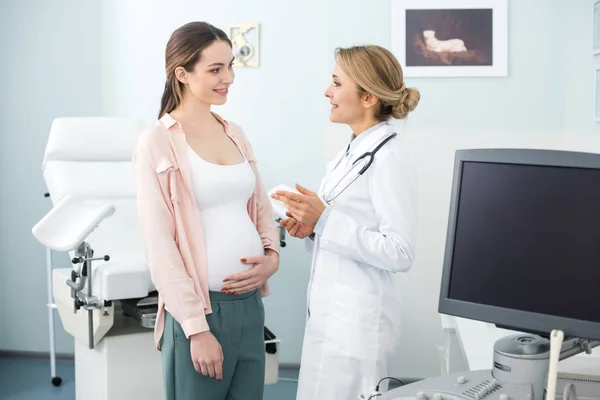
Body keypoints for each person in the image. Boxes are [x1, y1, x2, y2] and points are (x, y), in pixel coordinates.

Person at [132, 21, 280, 400]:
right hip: (200, 313)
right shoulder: (156, 143)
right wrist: (197, 329)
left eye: (230, 66)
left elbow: (260, 207)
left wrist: (271, 256)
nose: (227, 77)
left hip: (249, 308)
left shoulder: (235, 132)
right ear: (182, 73)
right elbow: (160, 245)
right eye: (215, 69)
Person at [272, 44, 420, 399]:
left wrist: (324, 221)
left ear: (368, 97)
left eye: (337, 83)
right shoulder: (352, 151)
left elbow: (400, 252)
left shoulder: (389, 159)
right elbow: (342, 229)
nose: (327, 91)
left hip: (358, 326)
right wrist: (309, 227)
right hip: (330, 317)